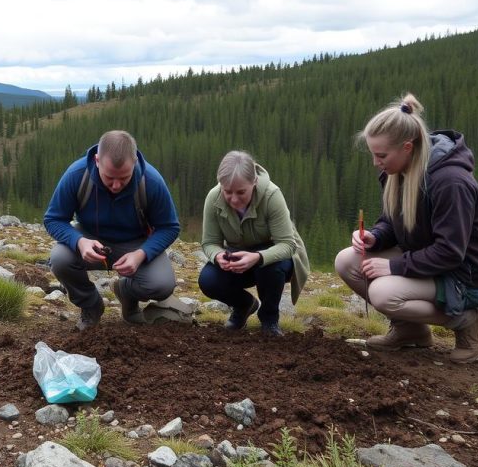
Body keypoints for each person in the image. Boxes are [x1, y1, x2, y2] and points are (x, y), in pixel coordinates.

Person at [335, 94, 478, 363]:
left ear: (407, 147)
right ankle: (410, 330)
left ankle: (470, 320)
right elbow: (393, 222)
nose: (376, 162)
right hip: (431, 263)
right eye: (373, 154)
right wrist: (375, 237)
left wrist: (393, 267)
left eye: (381, 155)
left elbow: (450, 252)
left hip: (467, 277)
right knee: (347, 261)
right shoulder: (399, 171)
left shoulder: (450, 182)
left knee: (382, 293)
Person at [44, 130, 181, 331]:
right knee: (59, 259)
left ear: (134, 162)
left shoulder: (150, 181)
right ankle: (91, 306)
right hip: (90, 239)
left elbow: (169, 227)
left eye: (124, 178)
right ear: (97, 160)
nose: (116, 185)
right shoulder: (77, 175)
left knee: (161, 285)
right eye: (109, 177)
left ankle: (126, 291)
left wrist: (141, 254)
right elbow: (53, 219)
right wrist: (79, 242)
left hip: (136, 242)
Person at [199, 151, 310, 336]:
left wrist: (258, 257)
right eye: (227, 192)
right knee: (208, 280)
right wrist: (218, 256)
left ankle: (269, 320)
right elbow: (210, 242)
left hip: (275, 256)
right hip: (237, 255)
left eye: (241, 192)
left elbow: (288, 245)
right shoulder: (213, 197)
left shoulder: (272, 195)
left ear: (254, 182)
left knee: (270, 268)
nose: (234, 199)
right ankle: (243, 305)